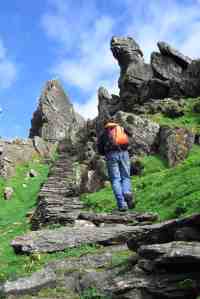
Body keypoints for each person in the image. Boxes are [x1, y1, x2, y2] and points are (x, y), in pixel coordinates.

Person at [97, 120, 135, 211]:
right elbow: (131, 134)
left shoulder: (103, 134)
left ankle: (121, 204)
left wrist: (105, 153)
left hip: (111, 155)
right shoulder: (120, 128)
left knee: (115, 179)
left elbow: (100, 149)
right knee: (126, 176)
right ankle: (126, 192)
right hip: (124, 153)